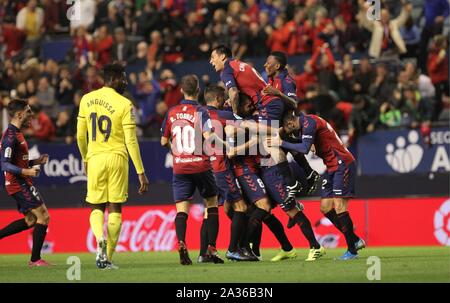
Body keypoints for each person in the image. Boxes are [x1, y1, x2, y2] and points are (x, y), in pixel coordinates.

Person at [76, 63, 149, 269]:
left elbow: (81, 135)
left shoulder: (86, 99)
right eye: (123, 78)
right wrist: (141, 172)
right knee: (115, 206)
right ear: (113, 79)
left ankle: (99, 238)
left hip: (96, 158)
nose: (125, 82)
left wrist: (85, 158)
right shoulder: (125, 104)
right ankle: (106, 256)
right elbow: (131, 141)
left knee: (96, 206)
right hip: (117, 158)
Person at [271, 111, 366, 260]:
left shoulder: (309, 123)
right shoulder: (305, 123)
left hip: (342, 164)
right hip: (331, 167)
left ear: (290, 123)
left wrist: (281, 143)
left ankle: (352, 250)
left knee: (340, 206)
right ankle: (354, 239)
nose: (288, 133)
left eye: (286, 129)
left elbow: (304, 149)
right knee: (326, 208)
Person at [160, 75, 222, 265]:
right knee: (211, 203)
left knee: (181, 210)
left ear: (181, 90)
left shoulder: (171, 112)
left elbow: (163, 141)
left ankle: (181, 242)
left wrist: (176, 152)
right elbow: (209, 136)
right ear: (198, 92)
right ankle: (211, 248)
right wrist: (226, 146)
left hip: (180, 167)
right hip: (201, 165)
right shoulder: (201, 111)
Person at [0, 99, 52, 267]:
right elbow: (4, 164)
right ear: (19, 114)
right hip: (17, 183)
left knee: (31, 220)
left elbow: (18, 162)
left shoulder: (18, 133)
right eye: (29, 111)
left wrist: (35, 161)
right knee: (43, 216)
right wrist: (27, 172)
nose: (32, 114)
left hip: (21, 180)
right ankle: (35, 260)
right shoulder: (9, 137)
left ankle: (35, 259)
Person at [202, 85, 251, 262]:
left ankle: (204, 254)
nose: (224, 102)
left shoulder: (199, 114)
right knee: (241, 208)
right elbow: (246, 126)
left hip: (204, 169)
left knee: (213, 209)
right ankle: (233, 249)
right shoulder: (225, 116)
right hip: (221, 167)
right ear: (217, 100)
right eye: (222, 99)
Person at [263, 51, 320, 197]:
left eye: (268, 63)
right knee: (282, 150)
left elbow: (294, 103)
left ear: (277, 65)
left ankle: (291, 185)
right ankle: (305, 175)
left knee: (275, 150)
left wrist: (278, 93)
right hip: (279, 123)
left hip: (286, 122)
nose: (265, 65)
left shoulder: (286, 81)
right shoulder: (270, 79)